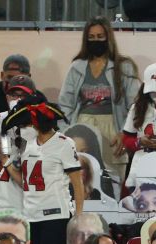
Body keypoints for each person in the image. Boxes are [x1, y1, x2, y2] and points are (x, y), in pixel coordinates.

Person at [0, 97, 83, 244]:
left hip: (55, 216)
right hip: (31, 216)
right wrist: (6, 162)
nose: (22, 129)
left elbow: (77, 183)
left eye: (25, 125)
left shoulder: (64, 144)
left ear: (36, 124)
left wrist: (78, 216)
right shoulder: (27, 145)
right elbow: (26, 183)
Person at [57, 17, 139, 178]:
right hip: (82, 128)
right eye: (92, 37)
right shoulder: (77, 67)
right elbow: (65, 105)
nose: (96, 41)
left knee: (113, 180)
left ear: (108, 38)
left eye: (100, 37)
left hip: (113, 130)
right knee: (82, 180)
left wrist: (126, 133)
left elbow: (135, 105)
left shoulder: (124, 66)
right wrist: (66, 133)